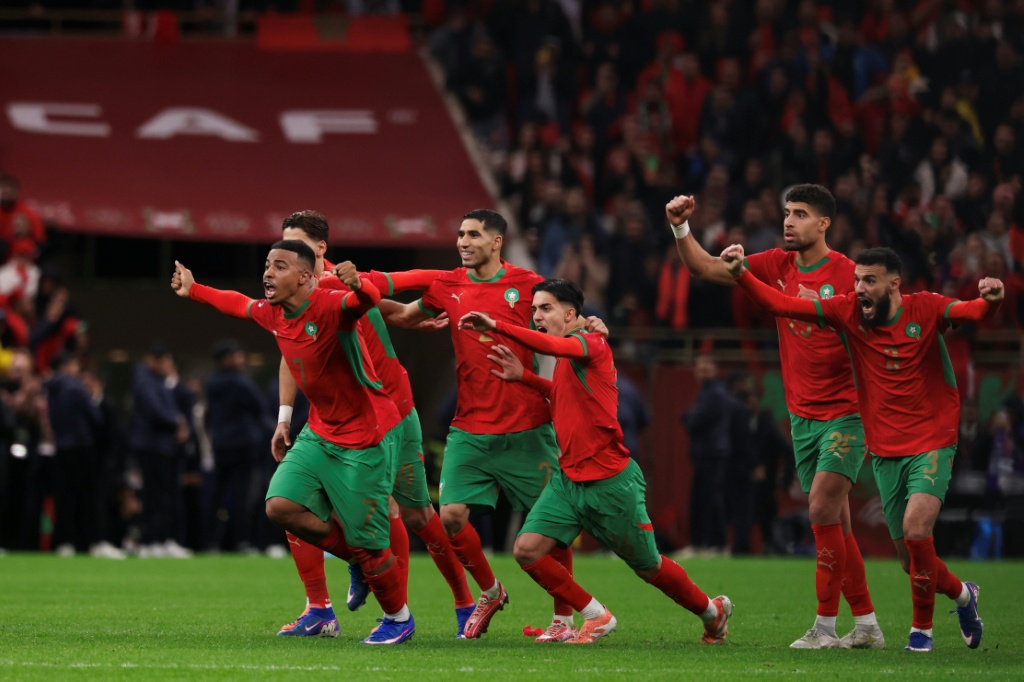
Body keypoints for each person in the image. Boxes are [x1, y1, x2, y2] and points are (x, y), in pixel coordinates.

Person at [721, 243, 997, 653]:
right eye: (856, 280)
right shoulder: (848, 312)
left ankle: (920, 634)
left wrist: (988, 299)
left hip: (933, 440)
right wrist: (742, 272)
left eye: (869, 280)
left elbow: (968, 312)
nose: (860, 288)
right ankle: (962, 595)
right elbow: (780, 304)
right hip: (886, 449)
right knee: (910, 561)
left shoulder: (925, 308)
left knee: (916, 531)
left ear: (894, 284)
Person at [665, 185, 882, 649]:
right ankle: (866, 624)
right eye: (786, 212)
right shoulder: (775, 264)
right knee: (838, 525)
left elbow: (879, 326)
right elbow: (703, 267)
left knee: (821, 508)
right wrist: (680, 225)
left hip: (847, 413)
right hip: (802, 416)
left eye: (800, 214)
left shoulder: (848, 273)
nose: (788, 221)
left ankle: (824, 628)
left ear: (824, 224)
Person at [458, 279, 733, 644]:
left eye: (545, 308)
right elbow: (564, 395)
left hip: (609, 480)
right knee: (527, 550)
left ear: (570, 314)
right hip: (569, 479)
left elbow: (552, 344)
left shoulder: (590, 342)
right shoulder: (569, 351)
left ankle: (712, 612)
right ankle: (595, 614)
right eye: (534, 309)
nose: (536, 315)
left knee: (648, 566)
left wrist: (497, 326)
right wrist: (524, 376)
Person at [171, 241, 415, 645]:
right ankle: (356, 561)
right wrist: (195, 288)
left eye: (279, 266)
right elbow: (236, 304)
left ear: (305, 277)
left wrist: (360, 286)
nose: (267, 273)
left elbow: (366, 302)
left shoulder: (332, 305)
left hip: (365, 435)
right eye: (267, 265)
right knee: (280, 505)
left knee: (372, 544)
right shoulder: (274, 313)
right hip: (320, 433)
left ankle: (398, 617)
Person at [369, 208, 576, 641]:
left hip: (527, 425)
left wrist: (591, 326)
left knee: (552, 526)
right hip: (470, 426)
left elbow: (562, 324)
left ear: (497, 241)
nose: (463, 241)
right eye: (460, 234)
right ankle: (490, 590)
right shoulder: (448, 284)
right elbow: (407, 316)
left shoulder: (526, 284)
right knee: (451, 517)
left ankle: (564, 618)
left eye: (474, 235)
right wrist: (359, 297)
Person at [271, 211, 475, 638]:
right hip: (331, 419)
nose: (284, 255)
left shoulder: (343, 284)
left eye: (296, 246)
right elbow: (290, 352)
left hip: (390, 414)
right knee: (294, 501)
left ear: (320, 250)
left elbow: (395, 303)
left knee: (414, 512)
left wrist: (445, 290)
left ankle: (463, 600)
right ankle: (320, 608)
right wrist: (285, 416)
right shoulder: (294, 295)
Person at [204, 338, 268, 552]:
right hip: (243, 445)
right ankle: (242, 541)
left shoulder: (212, 383)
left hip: (221, 445)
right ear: (228, 358)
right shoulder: (242, 382)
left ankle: (212, 541)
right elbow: (259, 407)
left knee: (217, 496)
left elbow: (208, 416)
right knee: (243, 496)